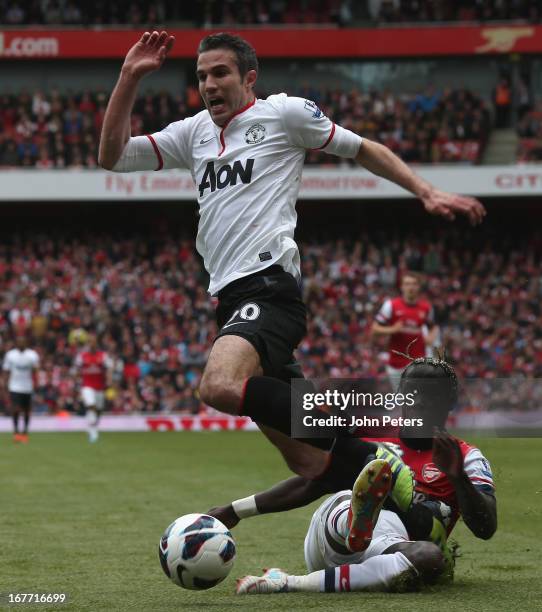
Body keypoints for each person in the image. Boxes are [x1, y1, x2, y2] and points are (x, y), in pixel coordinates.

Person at [99, 30, 486, 483]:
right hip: (229, 299)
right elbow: (114, 157)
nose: (208, 84)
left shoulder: (284, 114)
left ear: (249, 78)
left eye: (220, 72)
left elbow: (363, 148)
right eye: (202, 75)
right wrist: (129, 76)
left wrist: (426, 191)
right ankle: (410, 502)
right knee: (307, 461)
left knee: (218, 386)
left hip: (268, 288)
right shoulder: (192, 134)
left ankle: (383, 433)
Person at [207, 357, 497, 594]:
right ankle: (360, 515)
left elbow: (486, 528)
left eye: (431, 395)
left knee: (429, 558)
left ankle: (290, 582)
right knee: (364, 474)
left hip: (394, 553)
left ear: (450, 401)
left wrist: (458, 477)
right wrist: (236, 510)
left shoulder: (467, 457)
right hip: (331, 534)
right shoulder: (370, 434)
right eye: (412, 392)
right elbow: (312, 483)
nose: (419, 401)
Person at [372, 272, 439, 390]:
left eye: (414, 284)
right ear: (402, 287)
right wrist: (393, 329)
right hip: (396, 363)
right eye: (407, 284)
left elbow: (433, 326)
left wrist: (431, 337)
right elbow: (375, 329)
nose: (411, 287)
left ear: (418, 287)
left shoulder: (426, 307)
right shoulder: (391, 306)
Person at [74, 333, 113, 443]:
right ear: (87, 343)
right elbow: (77, 369)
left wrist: (109, 379)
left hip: (100, 387)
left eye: (94, 342)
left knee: (99, 410)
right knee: (91, 405)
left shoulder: (103, 355)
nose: (92, 344)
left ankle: (92, 425)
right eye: (90, 342)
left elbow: (109, 367)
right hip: (87, 386)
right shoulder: (82, 356)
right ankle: (93, 431)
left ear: (97, 344)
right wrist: (77, 382)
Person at [2, 334, 40, 443]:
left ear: (26, 343)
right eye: (19, 342)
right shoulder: (10, 355)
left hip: (27, 386)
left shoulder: (32, 355)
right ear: (16, 343)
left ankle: (25, 432)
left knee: (27, 410)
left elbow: (36, 370)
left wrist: (36, 383)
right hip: (14, 386)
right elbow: (6, 371)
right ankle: (16, 431)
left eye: (23, 342)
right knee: (16, 409)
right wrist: (4, 384)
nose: (21, 343)